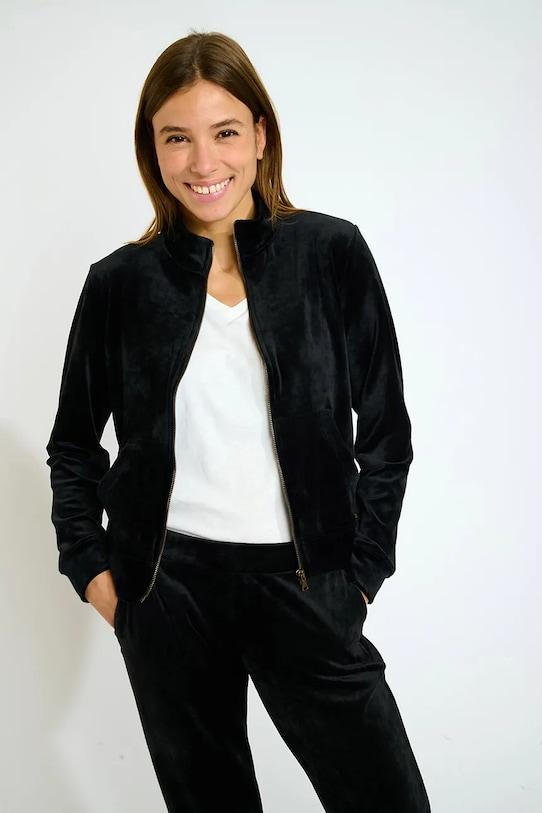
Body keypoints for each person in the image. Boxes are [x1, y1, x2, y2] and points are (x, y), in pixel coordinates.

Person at [45, 30, 431, 813]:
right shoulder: (119, 284)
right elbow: (74, 446)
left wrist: (359, 577)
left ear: (260, 135)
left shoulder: (331, 254)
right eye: (176, 138)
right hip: (168, 589)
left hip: (307, 581)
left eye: (223, 132)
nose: (202, 162)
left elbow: (387, 433)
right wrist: (97, 575)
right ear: (152, 150)